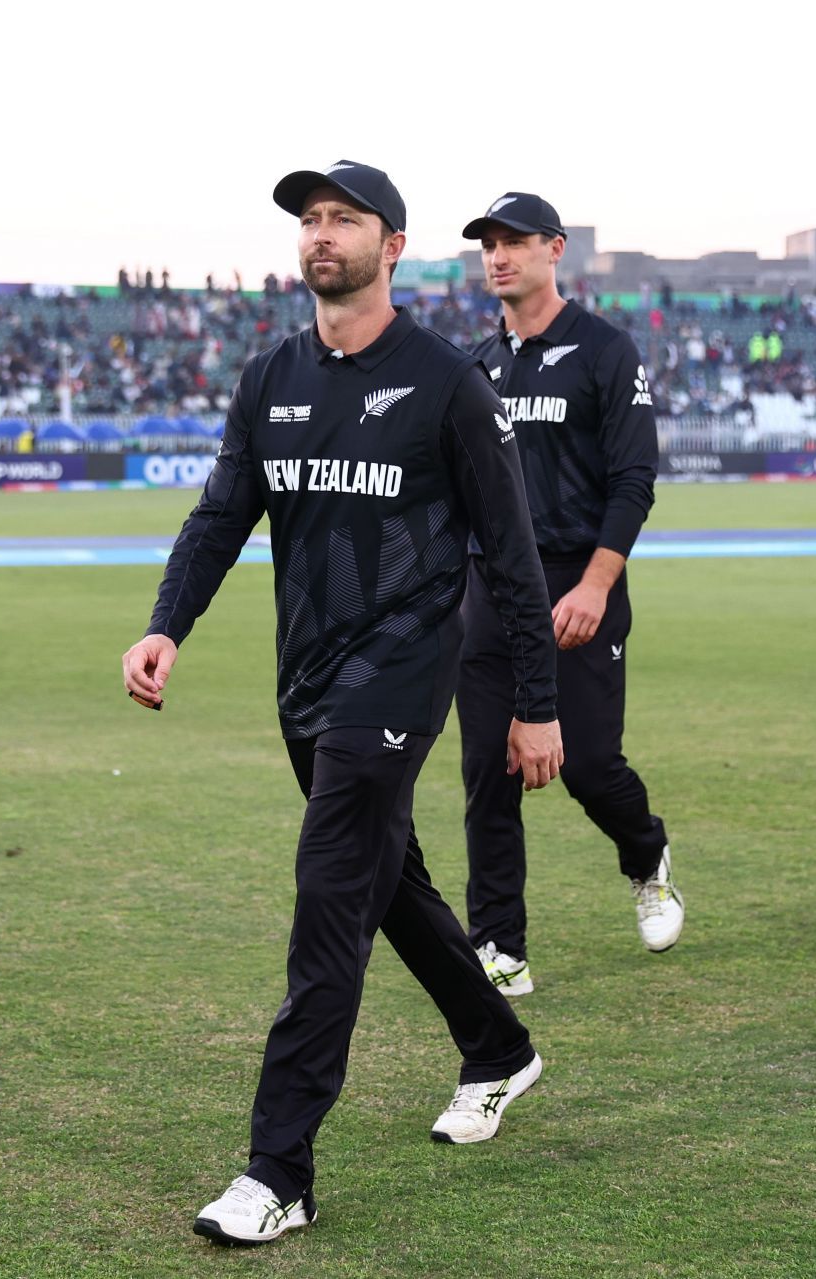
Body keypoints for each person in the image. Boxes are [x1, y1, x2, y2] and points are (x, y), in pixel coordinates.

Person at [121, 160, 562, 1245]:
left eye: (345, 219)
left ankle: (281, 1169)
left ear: (392, 246)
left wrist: (537, 703)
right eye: (311, 220)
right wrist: (167, 623)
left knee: (329, 905)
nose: (322, 235)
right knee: (390, 881)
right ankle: (499, 1046)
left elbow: (510, 556)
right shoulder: (270, 373)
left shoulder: (449, 383)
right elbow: (222, 512)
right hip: (307, 684)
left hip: (401, 681)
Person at [455, 192, 678, 998]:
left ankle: (646, 855)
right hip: (488, 589)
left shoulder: (605, 351)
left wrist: (593, 582)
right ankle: (498, 946)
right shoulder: (476, 364)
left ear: (556, 250)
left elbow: (634, 479)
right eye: (488, 244)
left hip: (576, 583)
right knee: (488, 770)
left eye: (515, 242)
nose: (499, 256)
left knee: (585, 763)